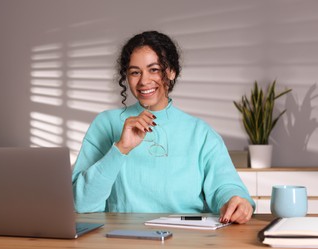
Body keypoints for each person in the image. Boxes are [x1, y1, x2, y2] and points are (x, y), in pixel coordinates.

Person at [72, 31, 255, 224]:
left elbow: (225, 186)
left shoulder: (200, 132)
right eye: (135, 72)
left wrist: (236, 200)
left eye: (154, 70)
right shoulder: (106, 124)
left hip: (188, 240)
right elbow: (82, 204)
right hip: (122, 240)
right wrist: (121, 148)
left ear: (171, 72)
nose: (143, 81)